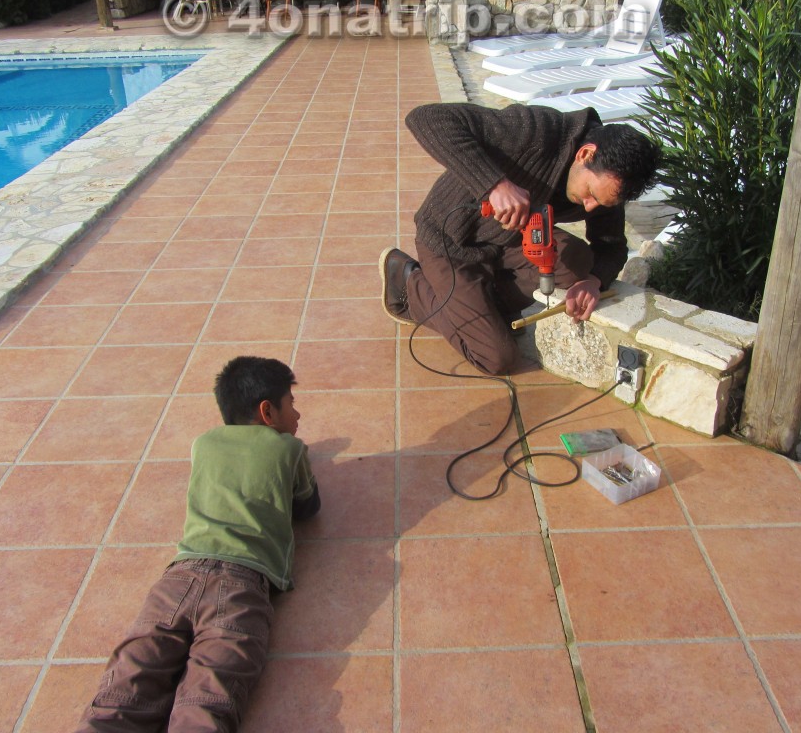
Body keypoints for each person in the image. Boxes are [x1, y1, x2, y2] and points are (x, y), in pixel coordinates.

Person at [75, 356, 320, 733]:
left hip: (178, 578)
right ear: (267, 412)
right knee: (211, 691)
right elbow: (308, 506)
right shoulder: (289, 448)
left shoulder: (203, 443)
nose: (298, 414)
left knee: (132, 675)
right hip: (241, 583)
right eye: (292, 403)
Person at [379, 102, 660, 375]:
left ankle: (480, 308)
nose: (589, 208)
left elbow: (611, 246)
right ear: (585, 154)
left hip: (508, 242)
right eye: (591, 194)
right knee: (497, 357)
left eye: (601, 203)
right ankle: (409, 282)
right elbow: (426, 118)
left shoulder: (611, 181)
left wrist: (594, 281)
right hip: (452, 242)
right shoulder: (536, 131)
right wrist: (494, 184)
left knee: (578, 261)